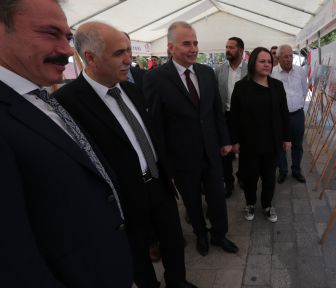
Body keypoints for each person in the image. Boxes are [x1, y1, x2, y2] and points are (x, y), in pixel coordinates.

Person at [0, 0, 133, 286]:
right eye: (50, 33)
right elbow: (13, 260)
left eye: (67, 37)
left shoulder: (39, 97)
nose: (66, 50)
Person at [54, 22, 196, 288]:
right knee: (137, 257)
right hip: (123, 199)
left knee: (174, 244)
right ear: (90, 58)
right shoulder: (67, 103)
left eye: (129, 51)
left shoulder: (131, 88)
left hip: (158, 184)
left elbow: (149, 133)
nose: (129, 59)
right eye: (119, 53)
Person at [143, 21, 238, 257]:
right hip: (182, 157)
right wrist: (165, 165)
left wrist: (225, 140)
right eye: (187, 44)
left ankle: (219, 234)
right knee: (192, 201)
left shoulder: (206, 73)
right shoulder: (155, 78)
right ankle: (201, 235)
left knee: (217, 197)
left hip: (212, 150)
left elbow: (216, 111)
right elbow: (156, 125)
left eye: (195, 43)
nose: (193, 48)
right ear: (171, 47)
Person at [230, 47, 291, 222]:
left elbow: (284, 114)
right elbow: (233, 117)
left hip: (272, 142)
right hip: (249, 143)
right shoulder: (241, 87)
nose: (267, 65)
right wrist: (234, 141)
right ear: (253, 63)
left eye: (269, 62)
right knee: (250, 177)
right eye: (262, 61)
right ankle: (250, 203)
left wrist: (287, 138)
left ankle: (267, 204)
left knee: (269, 177)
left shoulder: (277, 86)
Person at [214, 36, 248, 198]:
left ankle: (242, 176)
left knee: (245, 149)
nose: (227, 50)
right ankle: (228, 182)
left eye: (231, 47)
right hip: (225, 116)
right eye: (227, 46)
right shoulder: (219, 70)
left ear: (240, 50)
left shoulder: (250, 69)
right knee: (225, 152)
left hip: (244, 117)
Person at [272, 44, 308, 184]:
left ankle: (296, 170)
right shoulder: (273, 73)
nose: (288, 59)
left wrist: (297, 104)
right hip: (280, 116)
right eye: (285, 56)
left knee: (298, 144)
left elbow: (304, 91)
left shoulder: (300, 71)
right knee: (281, 144)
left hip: (297, 114)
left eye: (290, 56)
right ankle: (283, 171)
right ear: (279, 57)